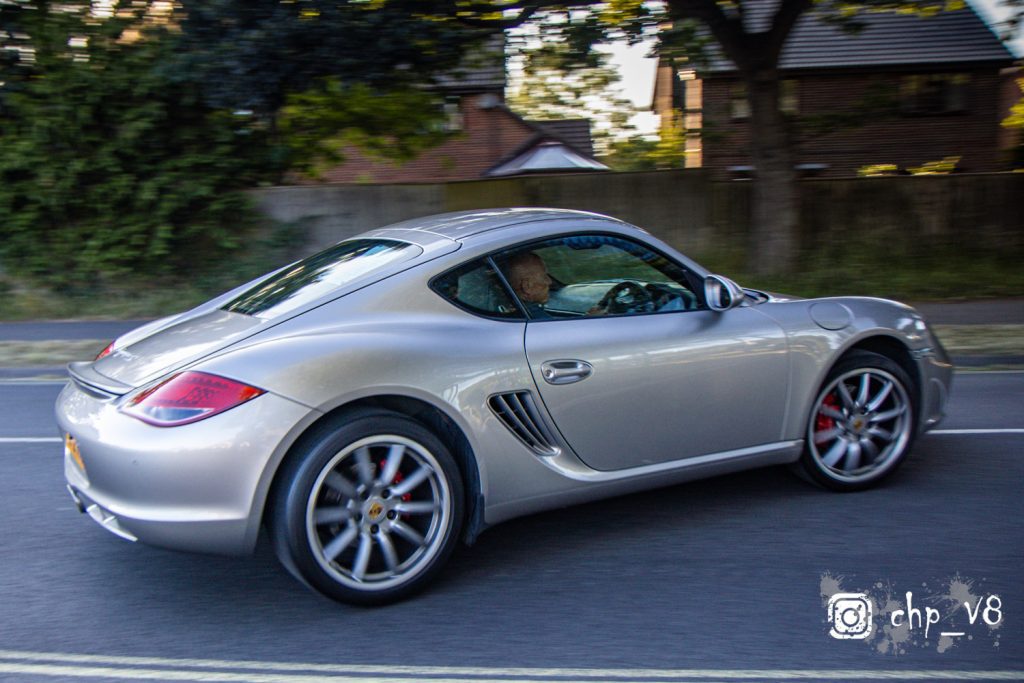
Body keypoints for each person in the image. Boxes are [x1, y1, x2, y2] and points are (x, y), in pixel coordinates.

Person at [504, 251, 552, 317]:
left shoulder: (514, 312)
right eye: (544, 277)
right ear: (526, 286)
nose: (549, 281)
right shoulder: (538, 318)